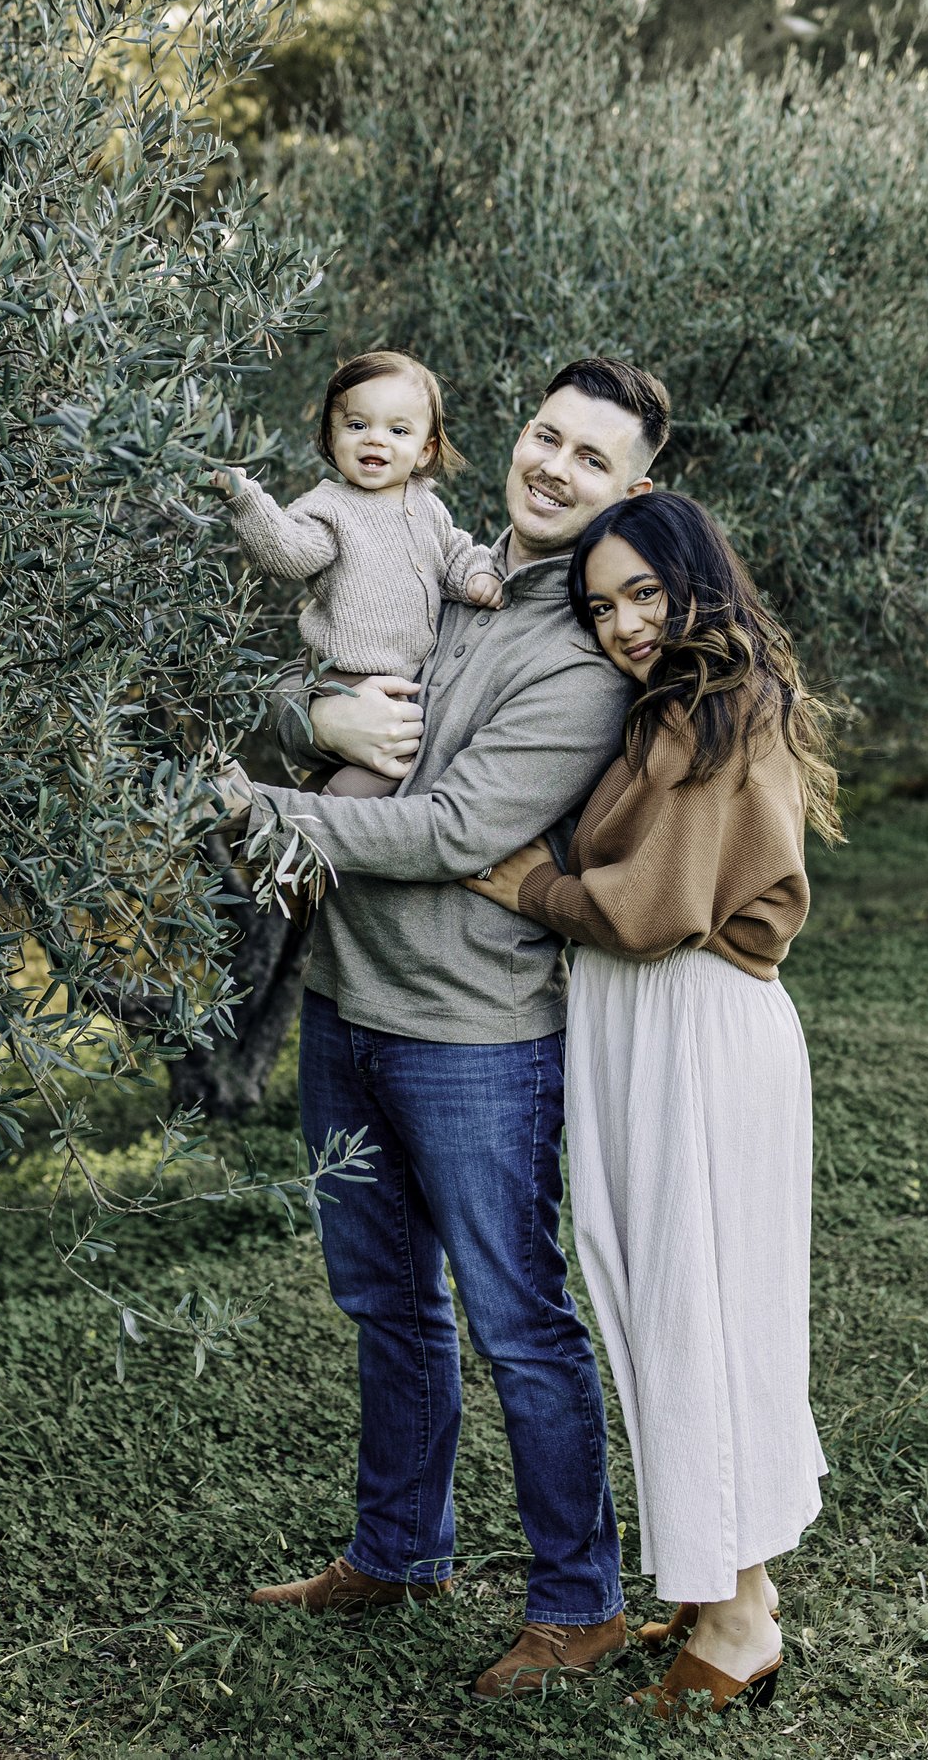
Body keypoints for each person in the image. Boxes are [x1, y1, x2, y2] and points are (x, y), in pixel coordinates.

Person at [219, 358, 671, 1699]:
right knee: (385, 1307)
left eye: (592, 460)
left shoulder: (586, 656)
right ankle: (399, 1548)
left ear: (629, 491)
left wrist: (267, 810)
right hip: (345, 1004)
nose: (557, 468)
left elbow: (457, 828)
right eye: (547, 437)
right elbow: (291, 685)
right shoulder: (435, 564)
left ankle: (580, 1604)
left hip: (474, 1037)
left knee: (519, 1321)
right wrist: (309, 715)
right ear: (513, 439)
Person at [462, 490, 840, 1719]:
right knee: (674, 1303)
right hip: (654, 1023)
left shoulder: (710, 709)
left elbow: (652, 905)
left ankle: (738, 1622)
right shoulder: (688, 701)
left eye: (643, 592)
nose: (624, 622)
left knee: (696, 1312)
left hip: (690, 1019)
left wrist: (537, 890)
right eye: (601, 603)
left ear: (698, 583)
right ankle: (726, 1578)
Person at [213, 350, 504, 796]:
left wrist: (475, 576)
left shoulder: (425, 503)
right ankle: (304, 834)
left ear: (425, 449)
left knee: (368, 763)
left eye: (398, 430)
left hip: (398, 681)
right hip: (344, 676)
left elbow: (452, 552)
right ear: (331, 439)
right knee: (389, 763)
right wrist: (247, 501)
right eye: (357, 425)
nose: (376, 440)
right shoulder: (331, 508)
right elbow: (286, 553)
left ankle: (287, 821)